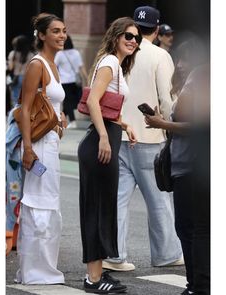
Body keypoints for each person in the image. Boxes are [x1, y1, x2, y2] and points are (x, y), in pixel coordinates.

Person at [102, 6, 183, 272]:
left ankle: (113, 255)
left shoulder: (120, 52)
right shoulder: (161, 55)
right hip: (149, 136)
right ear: (157, 30)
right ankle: (167, 254)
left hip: (120, 133)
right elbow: (167, 99)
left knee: (118, 199)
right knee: (158, 200)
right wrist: (171, 127)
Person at [77, 17, 141, 293]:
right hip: (99, 145)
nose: (133, 41)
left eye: (137, 38)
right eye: (128, 35)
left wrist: (123, 125)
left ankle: (97, 272)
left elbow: (105, 106)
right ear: (116, 35)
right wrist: (104, 136)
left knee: (103, 207)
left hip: (106, 140)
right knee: (97, 209)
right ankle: (93, 279)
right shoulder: (110, 62)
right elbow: (92, 100)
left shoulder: (113, 63)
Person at [145, 39, 210, 295]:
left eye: (186, 58)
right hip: (190, 164)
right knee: (191, 227)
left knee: (194, 227)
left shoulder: (200, 77)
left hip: (193, 166)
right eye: (179, 58)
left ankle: (200, 286)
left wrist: (163, 124)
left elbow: (201, 126)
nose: (180, 64)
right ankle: (196, 284)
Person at [15, 13, 68, 285]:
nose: (62, 35)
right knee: (38, 204)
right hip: (38, 145)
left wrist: (61, 120)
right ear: (42, 35)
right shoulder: (37, 64)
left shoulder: (53, 64)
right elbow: (24, 108)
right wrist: (27, 147)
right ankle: (35, 272)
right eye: (56, 31)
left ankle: (44, 269)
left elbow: (50, 104)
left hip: (52, 142)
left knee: (49, 203)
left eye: (64, 31)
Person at [55, 35, 88, 128]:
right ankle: (61, 119)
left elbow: (54, 66)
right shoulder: (76, 53)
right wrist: (86, 78)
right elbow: (81, 67)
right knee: (70, 101)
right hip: (75, 81)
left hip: (64, 81)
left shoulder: (60, 54)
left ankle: (72, 121)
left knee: (67, 101)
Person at [7, 35, 34, 107]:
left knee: (16, 100)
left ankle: (17, 116)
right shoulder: (31, 55)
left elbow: (10, 68)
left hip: (15, 79)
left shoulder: (12, 54)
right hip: (28, 79)